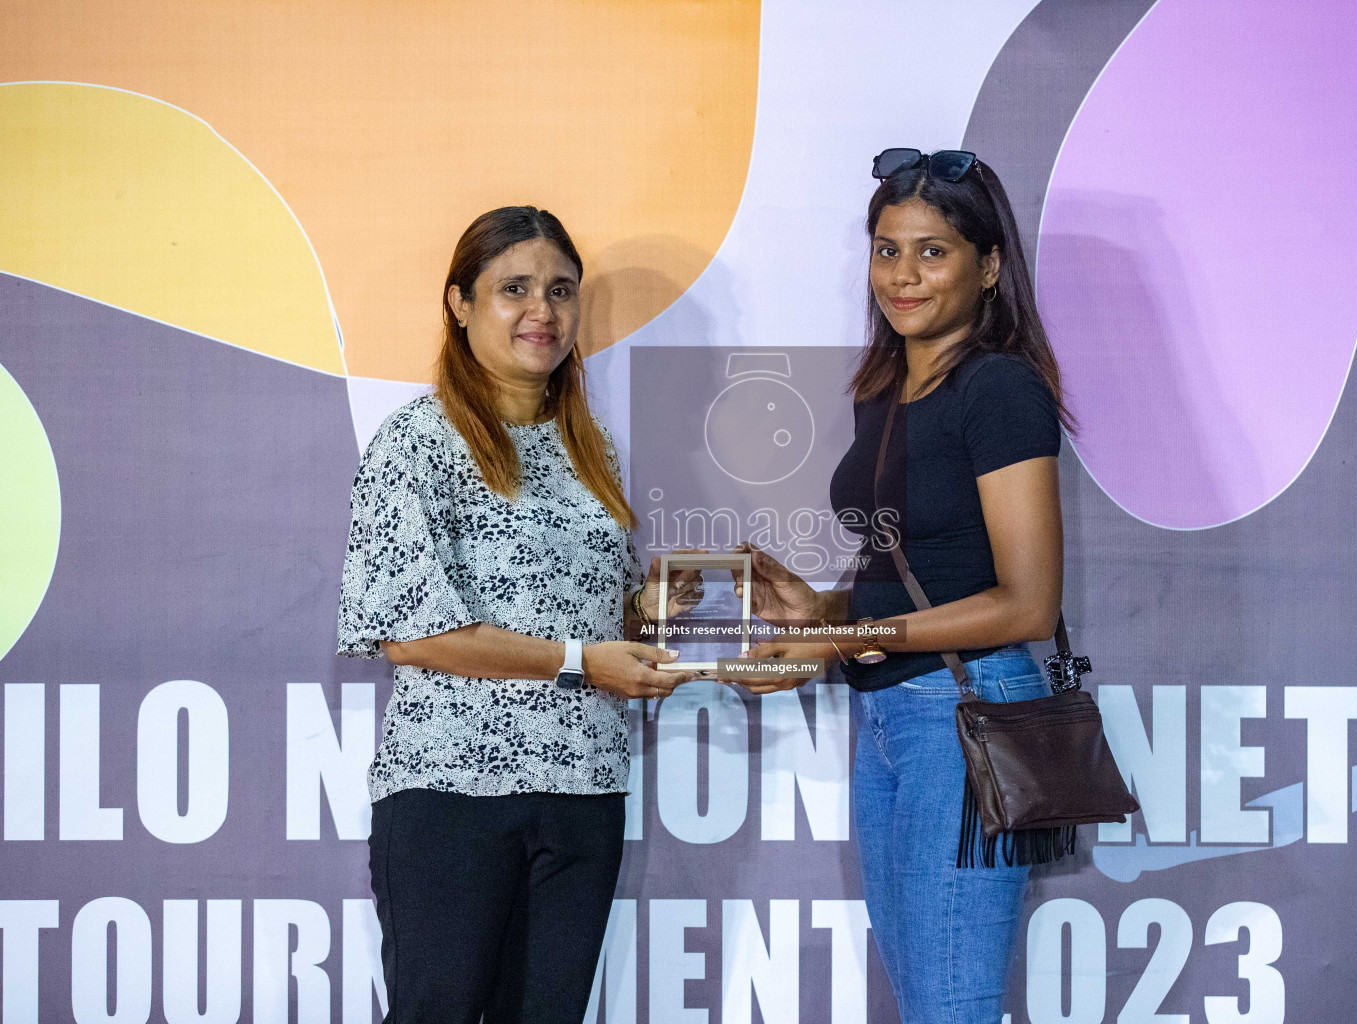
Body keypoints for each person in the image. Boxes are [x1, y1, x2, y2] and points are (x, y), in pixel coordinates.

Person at [337, 206, 701, 1024]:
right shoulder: (417, 443)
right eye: (514, 289)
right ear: (460, 302)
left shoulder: (591, 447)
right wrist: (583, 661)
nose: (543, 310)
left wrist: (648, 610)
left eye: (561, 290)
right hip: (454, 796)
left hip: (582, 791)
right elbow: (413, 633)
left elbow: (593, 617)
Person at [733, 150, 1072, 1023]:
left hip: (964, 718)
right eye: (887, 251)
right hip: (890, 716)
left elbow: (1026, 603)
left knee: (949, 1010)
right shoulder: (884, 392)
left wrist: (841, 641)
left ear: (988, 265)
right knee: (925, 1004)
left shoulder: (997, 388)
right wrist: (823, 613)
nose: (903, 275)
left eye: (932, 251)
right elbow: (923, 575)